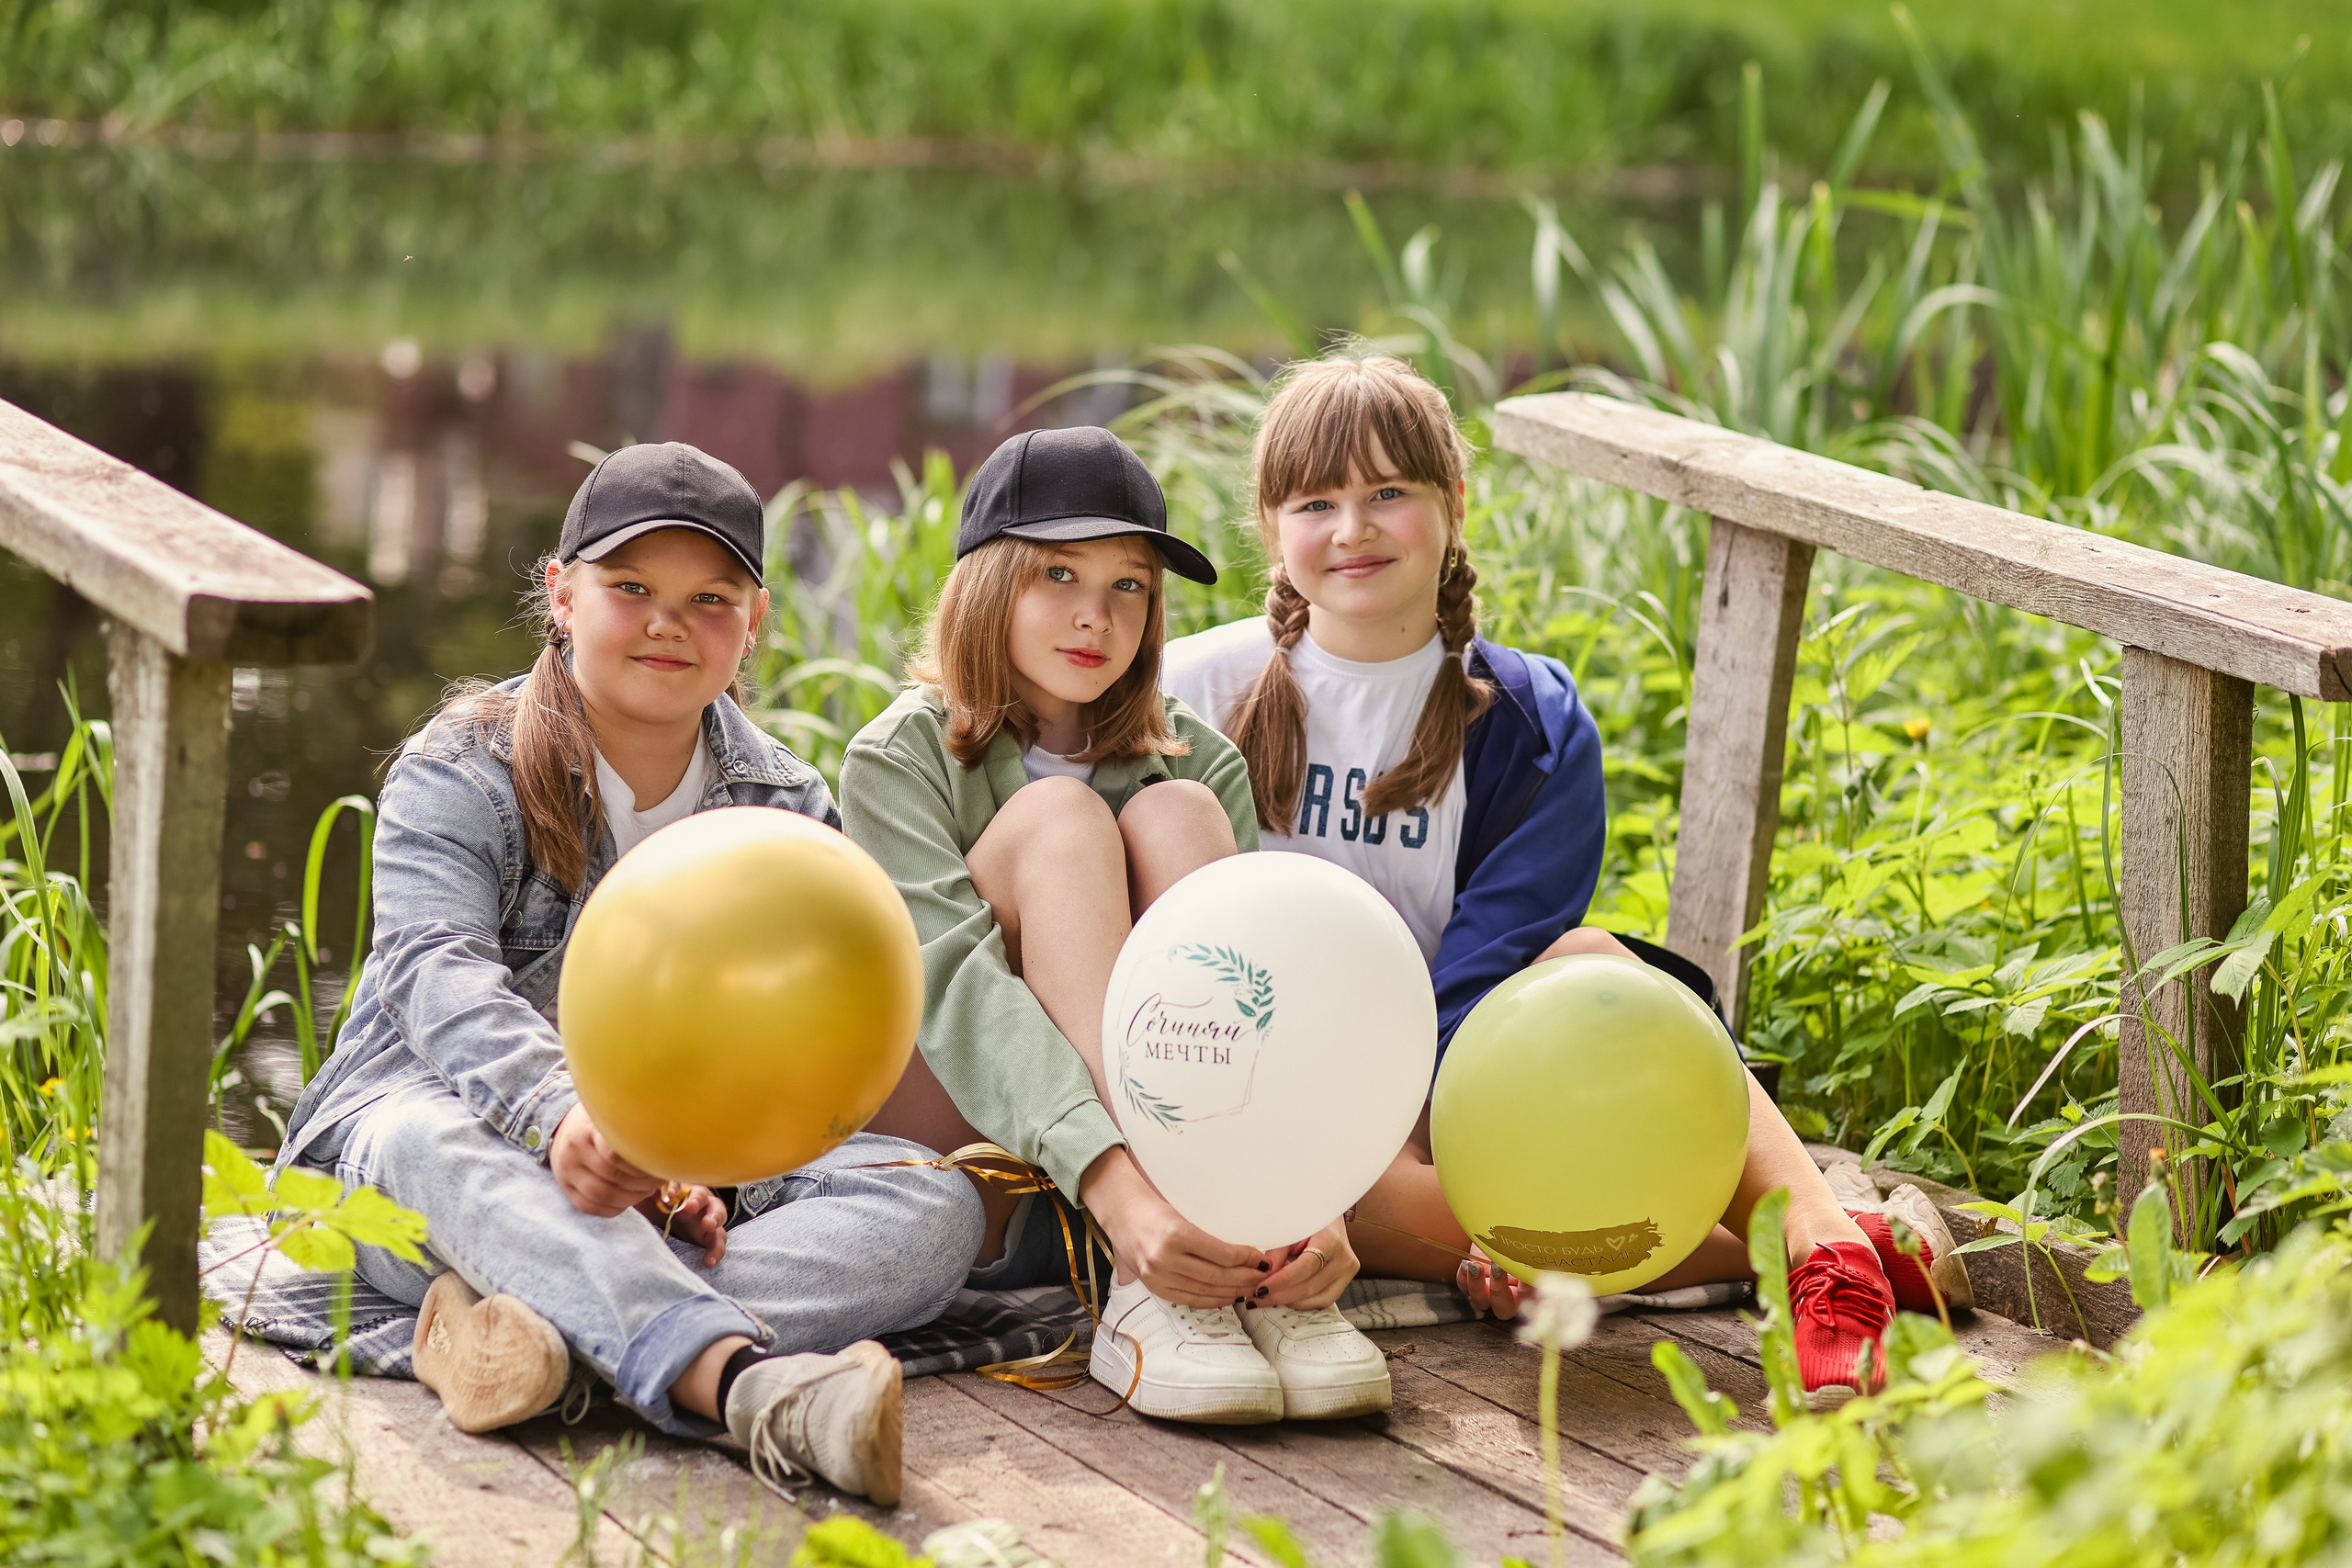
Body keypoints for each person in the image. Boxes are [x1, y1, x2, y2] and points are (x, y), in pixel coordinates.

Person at [1161, 353, 1969, 1396]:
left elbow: (1493, 966)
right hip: (1279, 1092)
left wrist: (1440, 1133)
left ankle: (1824, 1262)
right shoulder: (1197, 690)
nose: (1352, 530)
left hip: (1460, 1071)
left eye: (1387, 494)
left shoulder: (1530, 717)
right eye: (1316, 501)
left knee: (1589, 960)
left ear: (1453, 505)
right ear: (1271, 529)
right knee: (1343, 1197)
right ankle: (1837, 1244)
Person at [265, 442, 981, 1499]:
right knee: (431, 1144)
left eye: (711, 599)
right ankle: (748, 1389)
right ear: (561, 594)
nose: (666, 623)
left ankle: (542, 1336)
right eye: (630, 588)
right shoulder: (461, 762)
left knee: (934, 1210)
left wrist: (694, 1174)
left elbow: (797, 1053)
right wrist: (565, 1119)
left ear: (755, 620)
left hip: (653, 1195)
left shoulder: (784, 809)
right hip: (419, 1154)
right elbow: (434, 971)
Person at [842, 425, 1394, 1423]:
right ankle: (1146, 1278)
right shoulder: (900, 757)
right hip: (973, 1147)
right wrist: (1119, 1191)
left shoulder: (1200, 763)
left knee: (1171, 813)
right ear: (988, 583)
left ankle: (1252, 1262)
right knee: (1059, 820)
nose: (1096, 617)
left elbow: (1248, 998)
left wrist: (1313, 1202)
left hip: (1168, 1153)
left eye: (1129, 585)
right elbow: (954, 991)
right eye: (1058, 574)